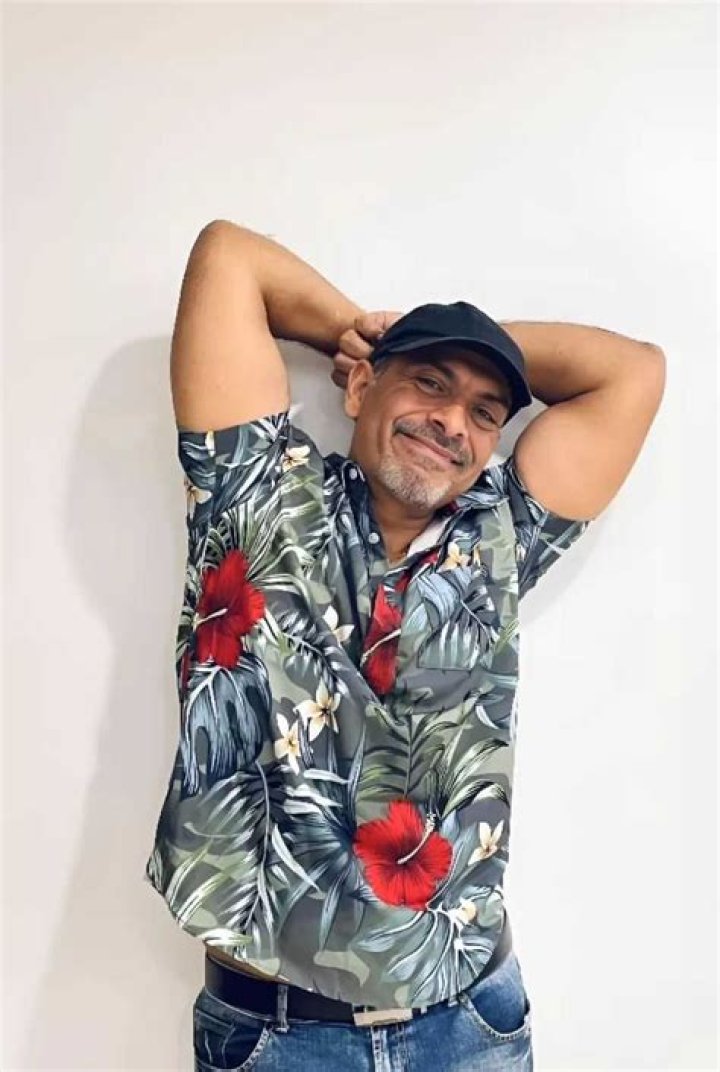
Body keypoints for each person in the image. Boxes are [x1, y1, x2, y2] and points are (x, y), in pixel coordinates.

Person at [145, 220, 666, 1071]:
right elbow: (229, 255)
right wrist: (367, 332)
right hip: (277, 1035)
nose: (452, 422)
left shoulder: (503, 535)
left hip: (469, 1025)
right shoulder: (254, 492)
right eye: (429, 383)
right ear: (359, 387)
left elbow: (634, 372)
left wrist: (448, 346)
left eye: (485, 412)